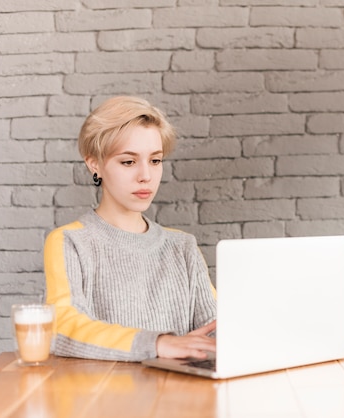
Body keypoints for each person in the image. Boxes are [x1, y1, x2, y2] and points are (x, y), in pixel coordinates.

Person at [43, 96, 217, 362]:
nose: (145, 175)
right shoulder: (70, 241)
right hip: (103, 398)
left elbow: (215, 328)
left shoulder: (182, 247)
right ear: (95, 164)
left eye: (155, 161)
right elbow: (61, 327)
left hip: (181, 398)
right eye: (128, 162)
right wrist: (157, 344)